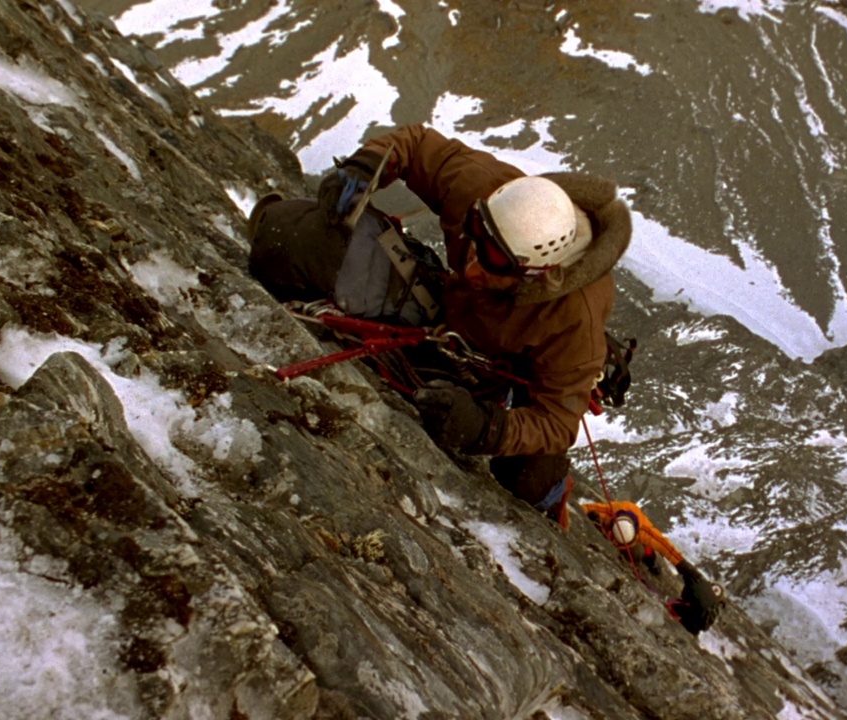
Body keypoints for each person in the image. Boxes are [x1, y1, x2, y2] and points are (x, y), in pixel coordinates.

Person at [247, 124, 632, 528]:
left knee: (528, 478)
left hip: (496, 366)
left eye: (495, 264)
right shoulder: (489, 190)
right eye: (476, 237)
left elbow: (556, 421)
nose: (472, 265)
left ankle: (552, 489)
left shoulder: (574, 319)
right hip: (444, 309)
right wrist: (369, 164)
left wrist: (486, 427)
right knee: (283, 238)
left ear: (539, 273)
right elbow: (416, 144)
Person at [582, 500, 725, 635]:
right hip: (610, 527)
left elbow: (666, 548)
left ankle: (648, 557)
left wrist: (683, 566)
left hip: (636, 544)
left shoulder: (644, 530)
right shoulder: (610, 510)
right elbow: (585, 508)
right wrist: (592, 516)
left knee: (637, 552)